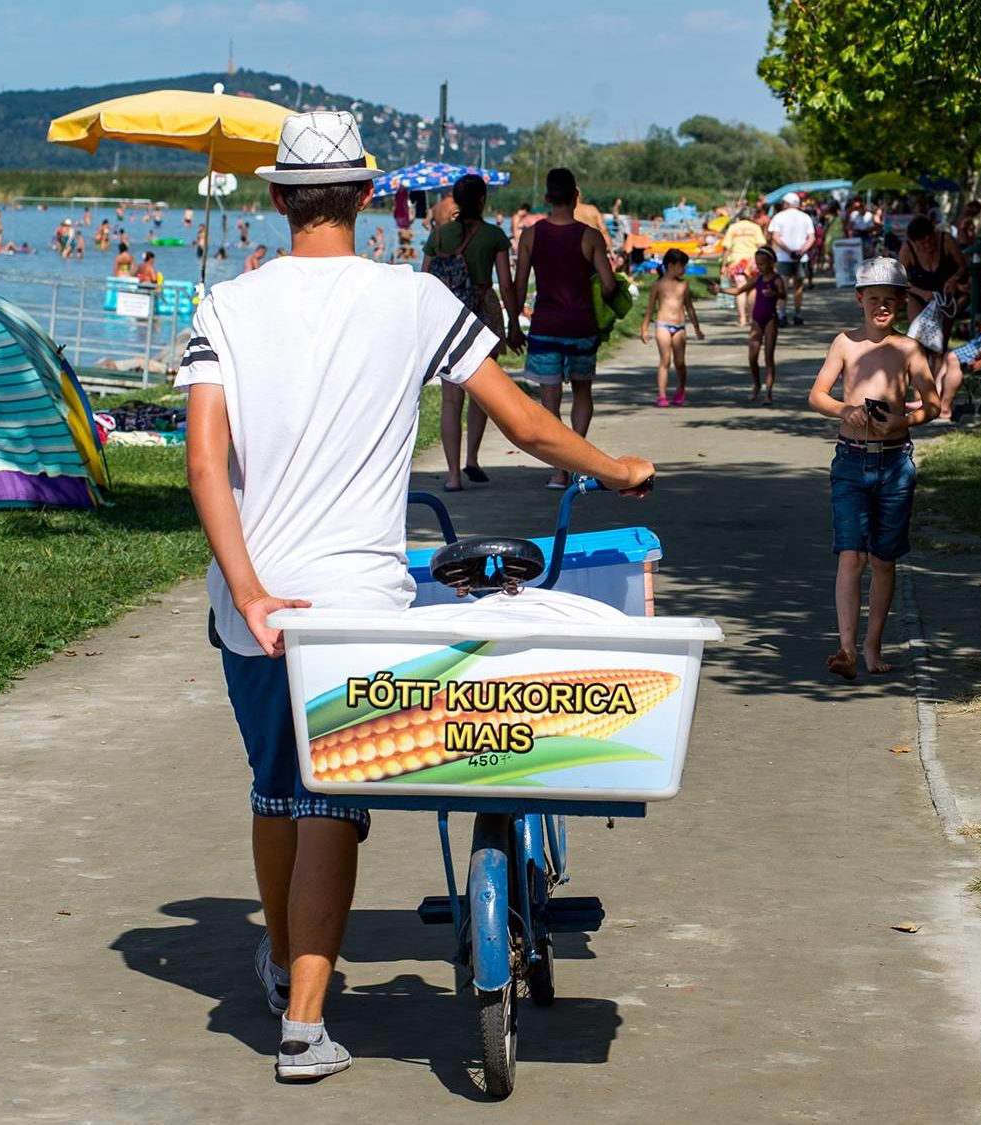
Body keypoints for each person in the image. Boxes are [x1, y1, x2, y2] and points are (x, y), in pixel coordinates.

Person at [176, 110, 653, 1084]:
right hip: (358, 600)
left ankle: (282, 971)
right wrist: (615, 467)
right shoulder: (416, 300)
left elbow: (204, 463)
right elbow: (522, 423)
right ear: (365, 196)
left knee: (278, 786)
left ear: (274, 201)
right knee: (329, 802)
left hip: (252, 598)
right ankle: (304, 1028)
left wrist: (253, 588)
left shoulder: (224, 307)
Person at [806, 257, 941, 679]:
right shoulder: (845, 343)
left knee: (883, 559)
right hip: (850, 459)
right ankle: (845, 647)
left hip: (895, 463)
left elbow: (934, 405)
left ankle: (871, 644)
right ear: (859, 299)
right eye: (874, 299)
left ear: (901, 303)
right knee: (851, 556)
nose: (881, 307)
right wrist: (846, 410)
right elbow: (817, 396)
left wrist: (905, 420)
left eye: (890, 300)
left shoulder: (908, 349)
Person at [514, 167, 619, 489]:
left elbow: (519, 285)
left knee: (550, 403)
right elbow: (609, 284)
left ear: (547, 198)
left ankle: (558, 471)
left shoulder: (531, 235)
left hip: (545, 325)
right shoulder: (590, 236)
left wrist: (515, 323)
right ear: (576, 197)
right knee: (582, 392)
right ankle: (579, 464)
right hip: (581, 326)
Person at [421, 174, 520, 491]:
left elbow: (424, 278)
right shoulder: (494, 235)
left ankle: (452, 476)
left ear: (455, 200)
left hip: (449, 312)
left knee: (451, 398)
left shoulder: (439, 235)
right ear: (482, 200)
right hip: (483, 312)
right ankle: (472, 459)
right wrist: (515, 323)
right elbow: (505, 282)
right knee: (482, 390)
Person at [642, 248, 704, 406]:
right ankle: (662, 395)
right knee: (665, 360)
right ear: (671, 265)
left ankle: (680, 389)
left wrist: (697, 328)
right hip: (662, 324)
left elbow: (690, 308)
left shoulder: (683, 285)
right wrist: (644, 328)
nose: (684, 269)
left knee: (680, 362)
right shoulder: (658, 285)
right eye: (682, 266)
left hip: (679, 327)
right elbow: (650, 308)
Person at [721, 247, 783, 403]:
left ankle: (768, 393)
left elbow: (783, 294)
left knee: (769, 357)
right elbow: (739, 291)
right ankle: (756, 384)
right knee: (752, 356)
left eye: (762, 264)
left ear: (770, 263)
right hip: (756, 320)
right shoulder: (757, 279)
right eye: (757, 264)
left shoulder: (776, 279)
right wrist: (720, 289)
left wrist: (774, 294)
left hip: (770, 320)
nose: (759, 267)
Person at [769, 193, 816, 326]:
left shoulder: (779, 217)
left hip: (784, 257)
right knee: (798, 286)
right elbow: (811, 238)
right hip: (801, 258)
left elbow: (775, 237)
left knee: (782, 286)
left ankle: (782, 314)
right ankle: (797, 313)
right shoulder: (805, 217)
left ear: (786, 204)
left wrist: (788, 250)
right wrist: (802, 250)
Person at [718, 208, 767, 328]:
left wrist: (724, 265)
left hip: (737, 262)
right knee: (752, 290)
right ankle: (751, 317)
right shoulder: (755, 227)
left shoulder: (733, 228)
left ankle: (742, 318)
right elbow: (761, 245)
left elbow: (727, 248)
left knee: (740, 290)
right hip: (753, 262)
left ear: (738, 217)